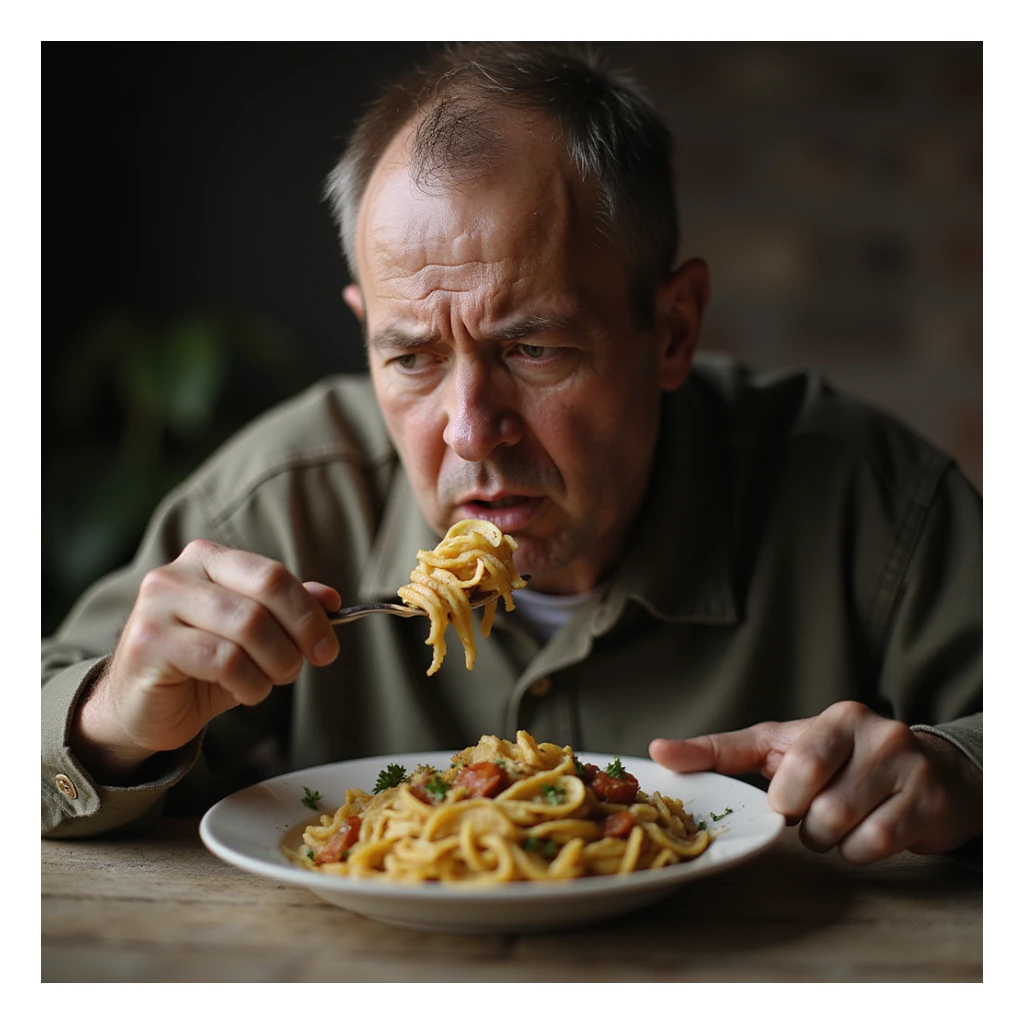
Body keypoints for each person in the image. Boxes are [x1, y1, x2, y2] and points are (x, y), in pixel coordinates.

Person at [41, 43, 981, 866]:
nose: (467, 428)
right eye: (411, 357)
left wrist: (960, 772)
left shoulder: (873, 502)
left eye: (534, 351)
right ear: (365, 333)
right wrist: (110, 724)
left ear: (673, 330)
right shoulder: (280, 501)